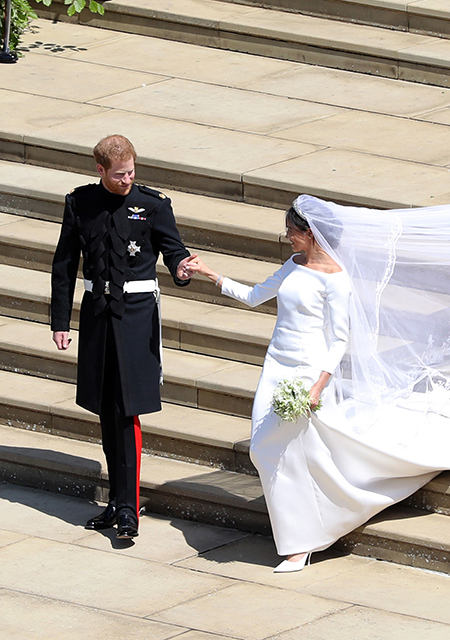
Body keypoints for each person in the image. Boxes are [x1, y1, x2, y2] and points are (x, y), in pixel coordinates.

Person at [187, 194, 450, 572]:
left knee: (288, 450)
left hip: (307, 371)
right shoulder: (293, 265)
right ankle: (303, 528)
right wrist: (211, 274)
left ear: (310, 233)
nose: (288, 237)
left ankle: (302, 543)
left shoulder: (336, 279)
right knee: (264, 448)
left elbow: (339, 339)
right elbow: (255, 296)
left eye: (292, 231)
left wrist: (318, 386)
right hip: (275, 364)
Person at [51, 134, 196, 539]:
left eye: (131, 172)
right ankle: (115, 501)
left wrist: (182, 268)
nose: (127, 179)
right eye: (119, 175)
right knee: (104, 408)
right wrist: (60, 322)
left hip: (135, 317)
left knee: (127, 410)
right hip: (97, 315)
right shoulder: (80, 202)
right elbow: (64, 264)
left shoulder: (152, 204)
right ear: (100, 171)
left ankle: (129, 508)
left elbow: (173, 250)